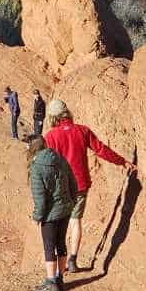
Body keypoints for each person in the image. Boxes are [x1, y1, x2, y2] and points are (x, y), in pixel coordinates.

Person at [43, 99, 136, 273]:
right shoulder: (82, 130)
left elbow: (47, 165)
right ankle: (72, 260)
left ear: (52, 117)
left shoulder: (50, 137)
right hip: (80, 184)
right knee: (76, 220)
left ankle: (58, 266)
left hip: (60, 187)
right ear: (67, 113)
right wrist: (122, 161)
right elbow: (101, 149)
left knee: (60, 222)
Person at [29, 135, 77, 291]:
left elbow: (40, 197)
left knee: (49, 247)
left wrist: (37, 216)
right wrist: (71, 201)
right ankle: (59, 279)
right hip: (65, 209)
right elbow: (73, 183)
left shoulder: (36, 167)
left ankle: (51, 283)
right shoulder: (60, 159)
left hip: (50, 214)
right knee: (61, 243)